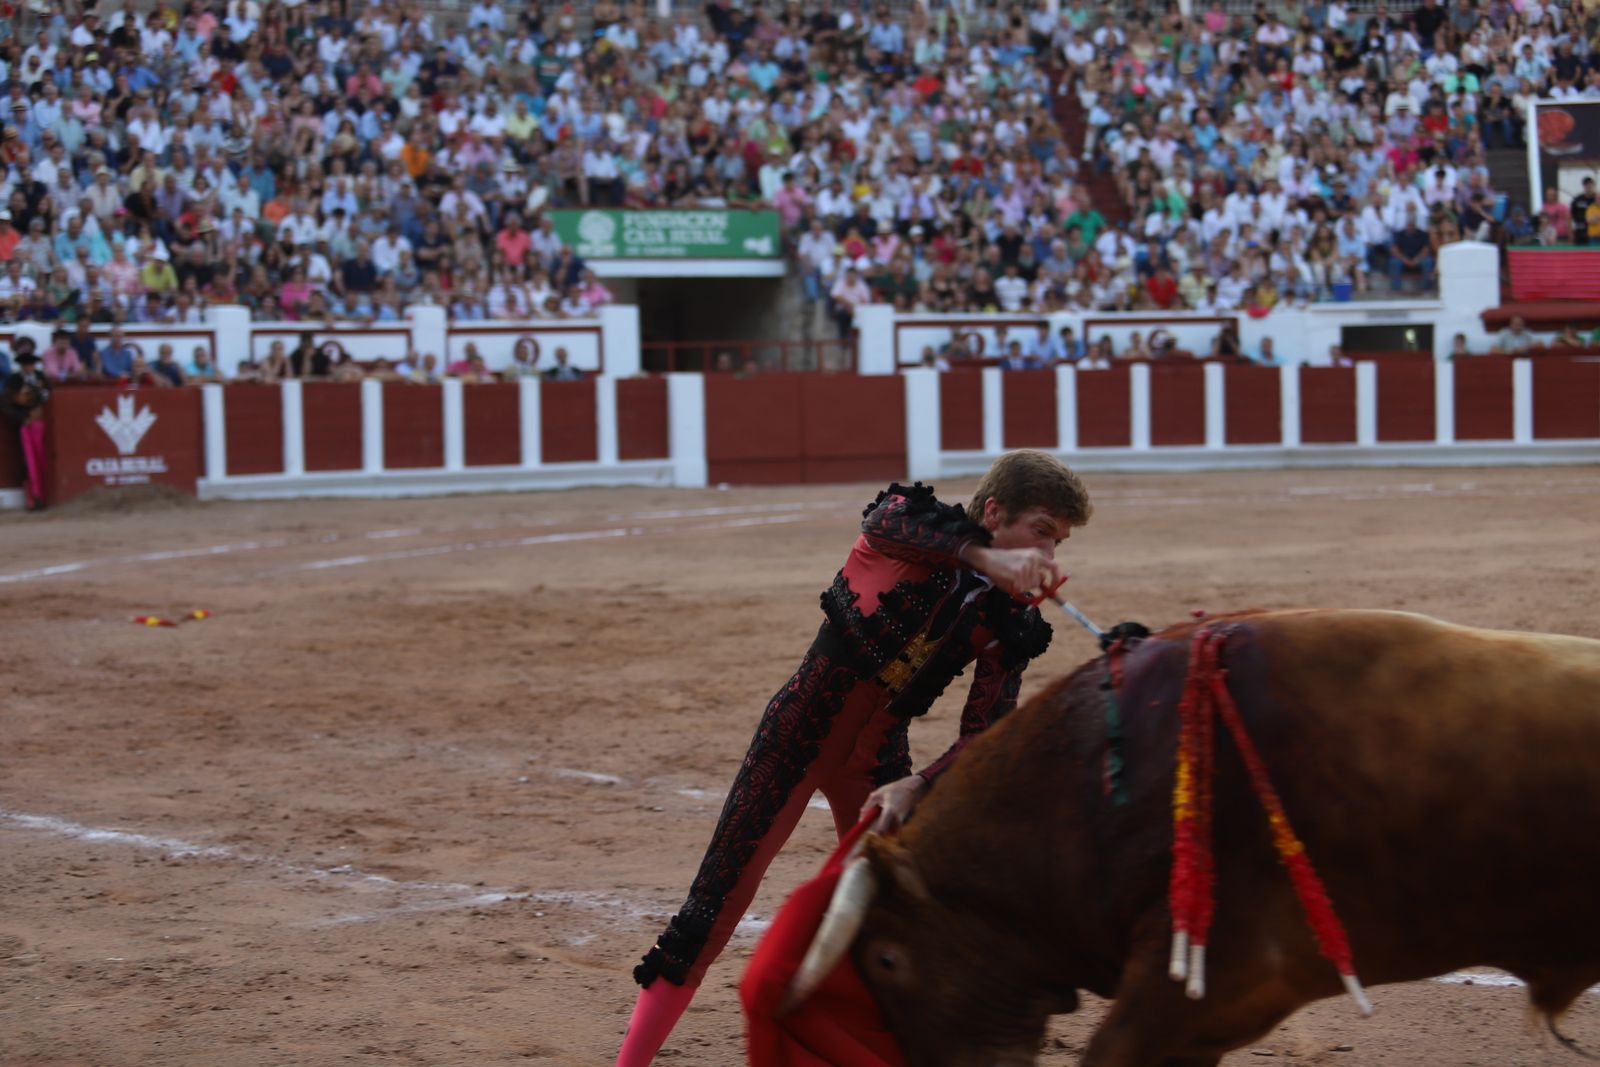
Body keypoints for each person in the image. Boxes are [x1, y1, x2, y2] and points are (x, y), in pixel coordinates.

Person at [617, 451, 1094, 1067]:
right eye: (1042, 533)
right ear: (994, 512)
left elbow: (987, 733)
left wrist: (917, 784)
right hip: (792, 741)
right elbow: (885, 520)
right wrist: (988, 559)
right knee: (711, 912)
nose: (1049, 556)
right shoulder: (913, 523)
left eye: (1059, 543)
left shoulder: (1008, 613)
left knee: (905, 923)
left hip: (878, 769)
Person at [2, 348, 50, 510]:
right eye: (26, 364)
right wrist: (21, 419)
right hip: (24, 426)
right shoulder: (14, 380)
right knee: (28, 462)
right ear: (21, 365)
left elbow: (51, 397)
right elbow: (6, 403)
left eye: (31, 364)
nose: (29, 367)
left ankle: (45, 496)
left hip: (41, 424)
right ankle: (33, 498)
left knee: (43, 460)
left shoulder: (41, 378)